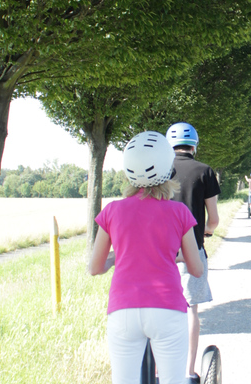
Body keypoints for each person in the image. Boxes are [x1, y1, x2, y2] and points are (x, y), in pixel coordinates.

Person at [89, 130, 204, 384]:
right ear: (167, 166)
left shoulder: (111, 211)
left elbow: (95, 267)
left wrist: (120, 258)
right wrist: (175, 258)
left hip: (123, 311)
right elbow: (196, 269)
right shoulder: (179, 212)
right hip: (167, 309)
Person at [166, 122, 221, 384]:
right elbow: (213, 220)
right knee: (191, 312)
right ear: (194, 144)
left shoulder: (160, 170)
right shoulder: (205, 172)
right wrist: (206, 232)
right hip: (192, 252)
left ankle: (161, 372)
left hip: (162, 253)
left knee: (162, 311)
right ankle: (188, 373)